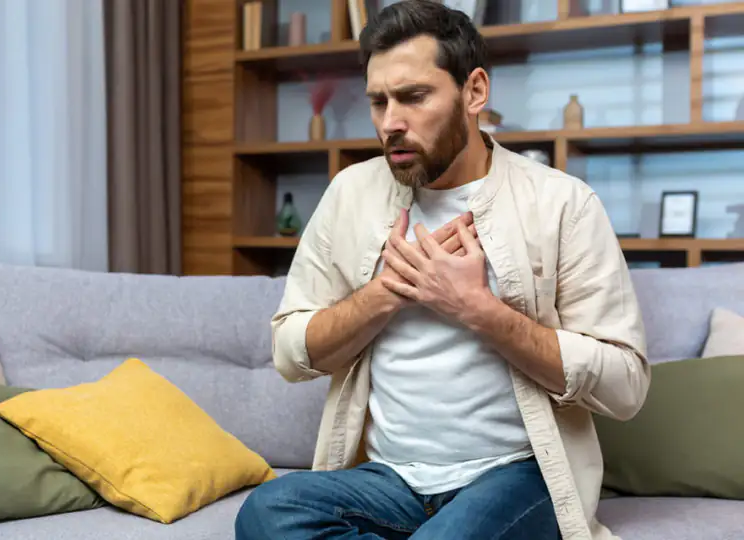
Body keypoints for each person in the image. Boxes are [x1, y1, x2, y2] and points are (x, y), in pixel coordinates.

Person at [233, 1, 650, 539]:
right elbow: (290, 352)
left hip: (517, 475)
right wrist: (386, 291)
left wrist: (479, 310)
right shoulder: (350, 195)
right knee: (267, 513)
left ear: (474, 91)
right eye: (378, 101)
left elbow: (625, 384)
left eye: (413, 97)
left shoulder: (562, 204)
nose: (390, 122)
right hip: (390, 480)